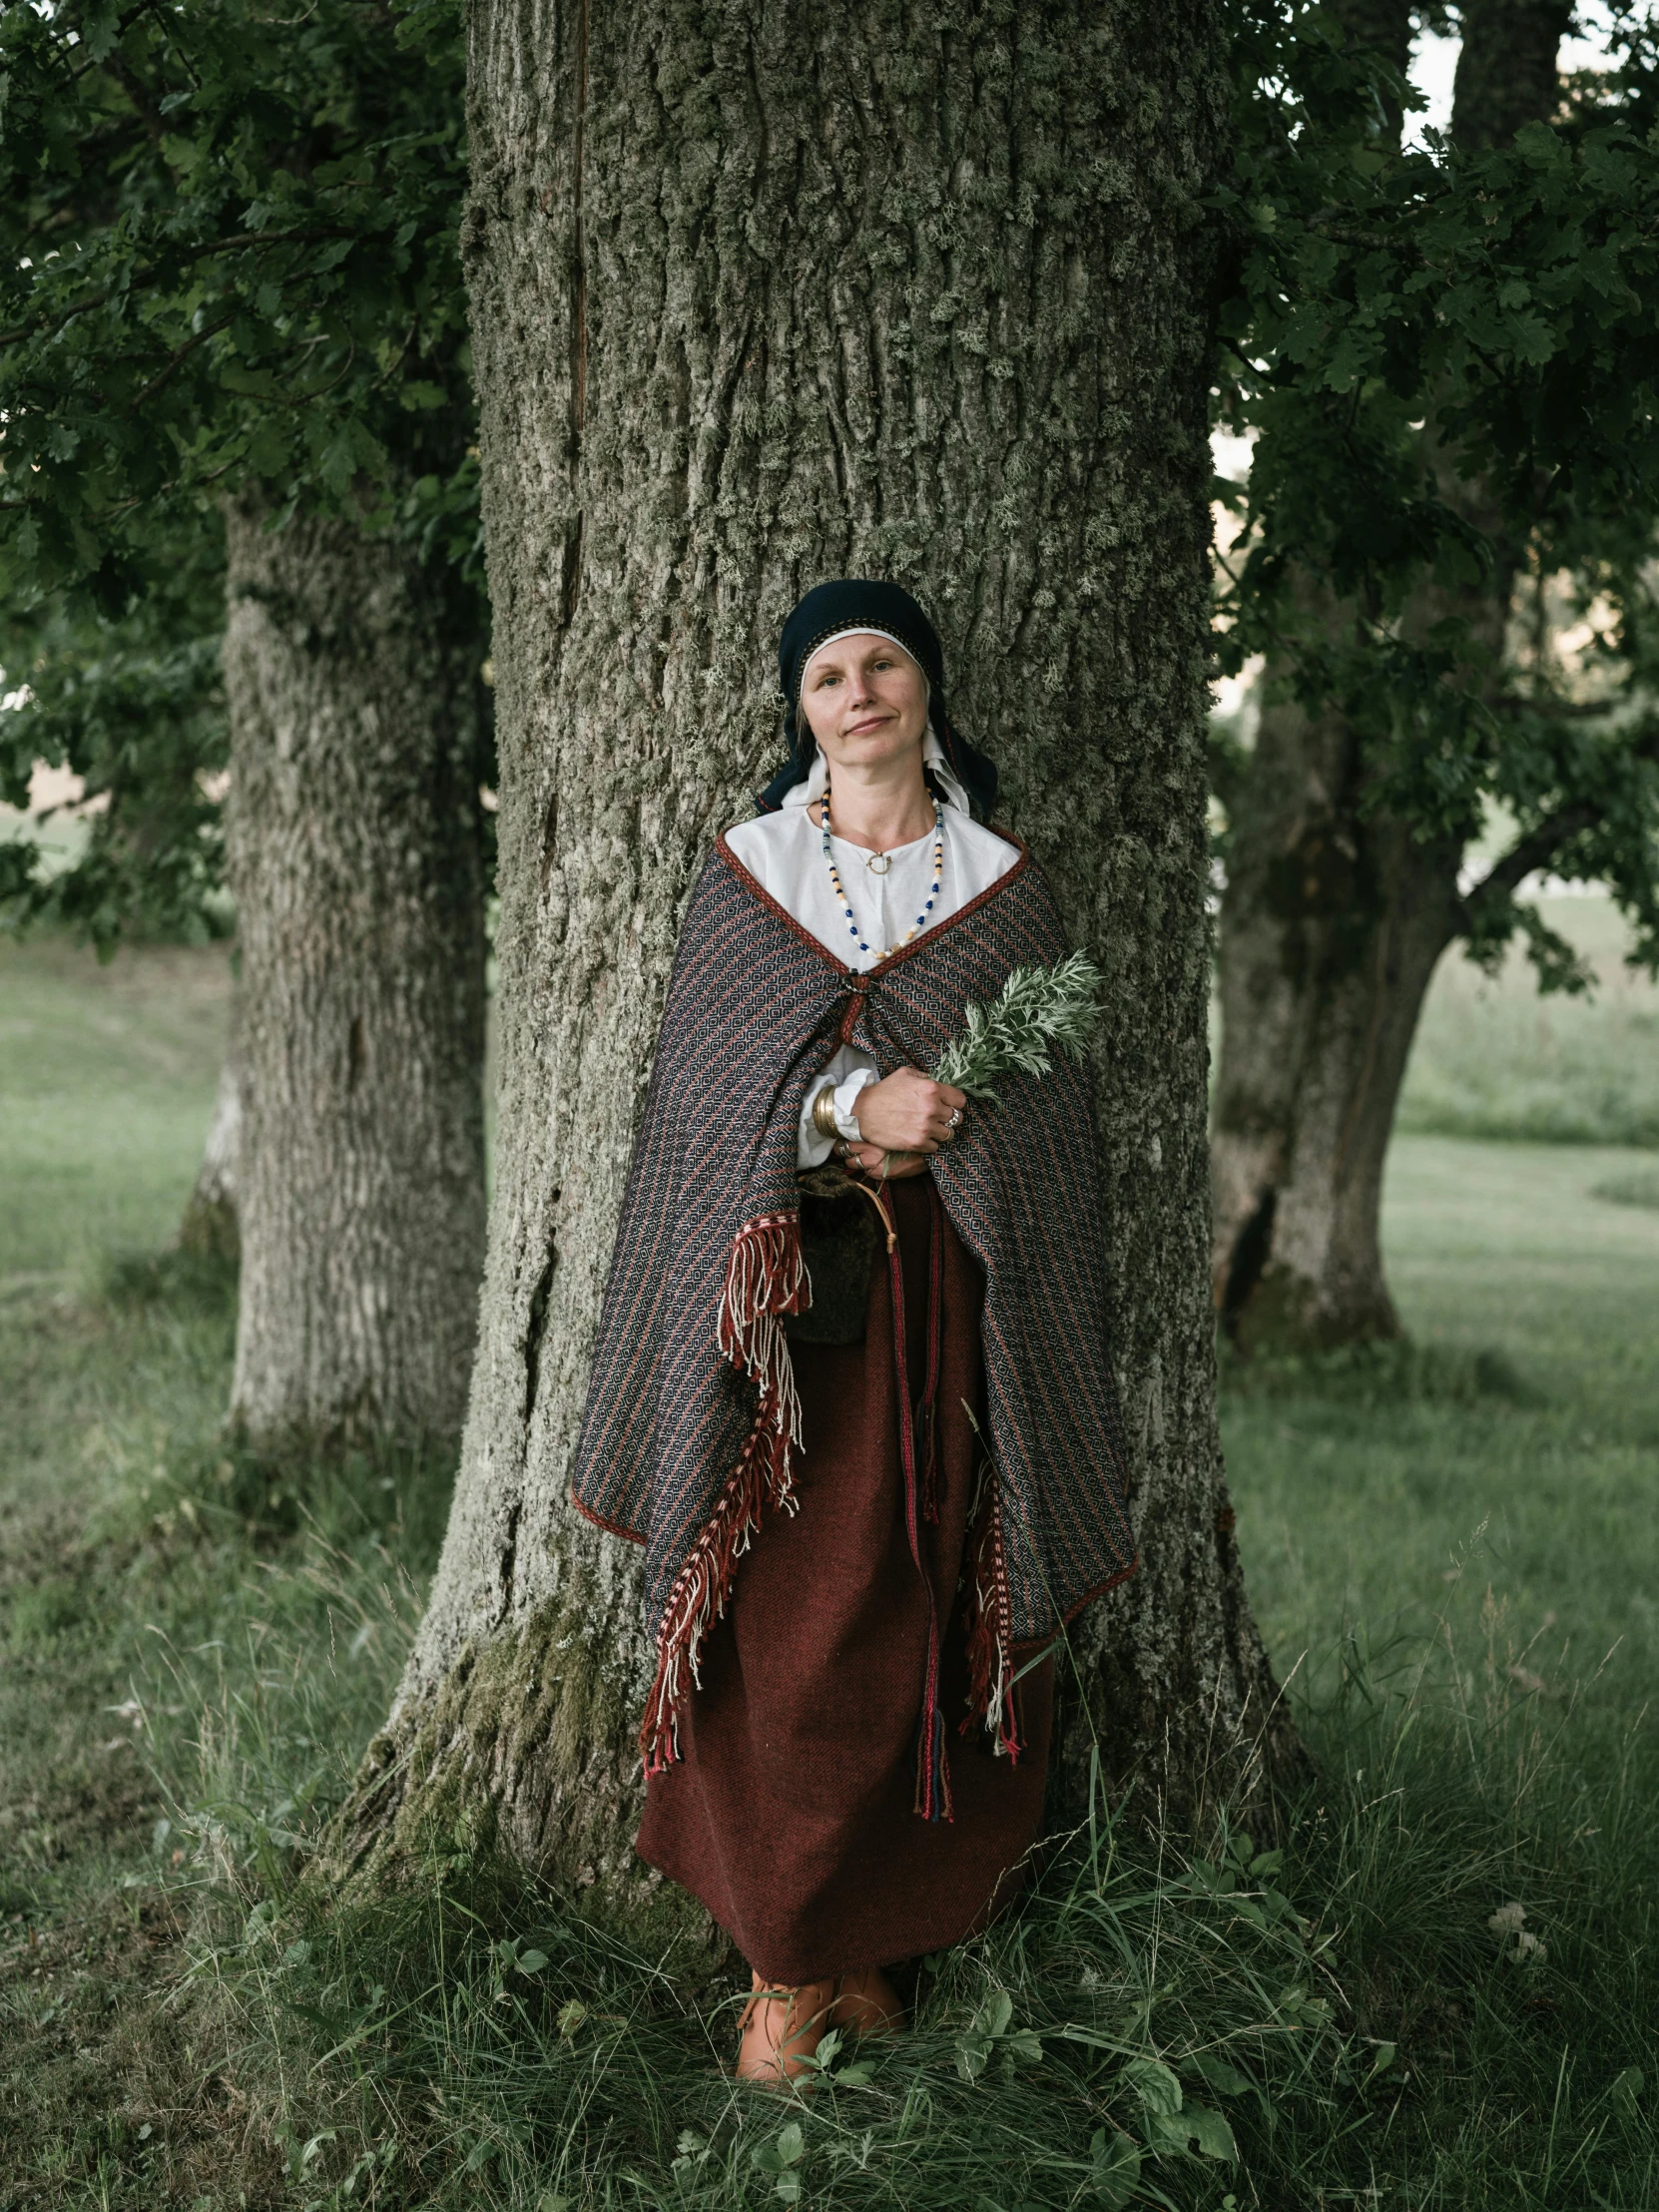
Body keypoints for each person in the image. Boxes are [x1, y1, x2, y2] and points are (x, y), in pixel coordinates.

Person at [570, 580, 1136, 2084]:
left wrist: (950, 1131)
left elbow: (1050, 1134)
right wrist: (840, 1111)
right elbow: (698, 1103)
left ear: (926, 687)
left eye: (881, 661)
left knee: (919, 1602)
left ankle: (865, 1944)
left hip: (946, 1312)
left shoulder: (1003, 886)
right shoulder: (749, 874)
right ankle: (778, 1967)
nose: (859, 690)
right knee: (786, 1627)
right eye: (828, 673)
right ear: (800, 709)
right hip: (777, 1329)